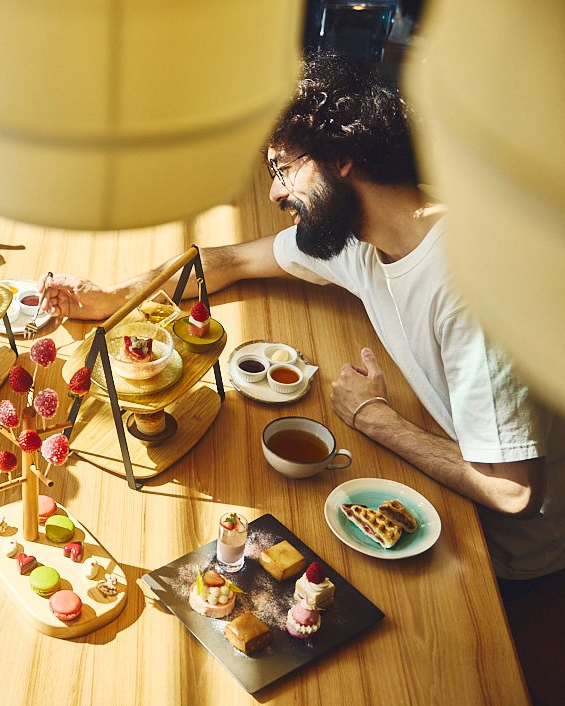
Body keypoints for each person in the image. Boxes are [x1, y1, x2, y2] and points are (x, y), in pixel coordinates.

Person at [40, 53, 564, 584]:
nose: (275, 192)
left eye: (284, 168)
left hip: (505, 553)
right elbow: (234, 260)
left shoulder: (472, 284)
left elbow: (514, 492)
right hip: (453, 478)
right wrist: (112, 298)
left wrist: (375, 419)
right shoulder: (366, 231)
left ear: (341, 159)